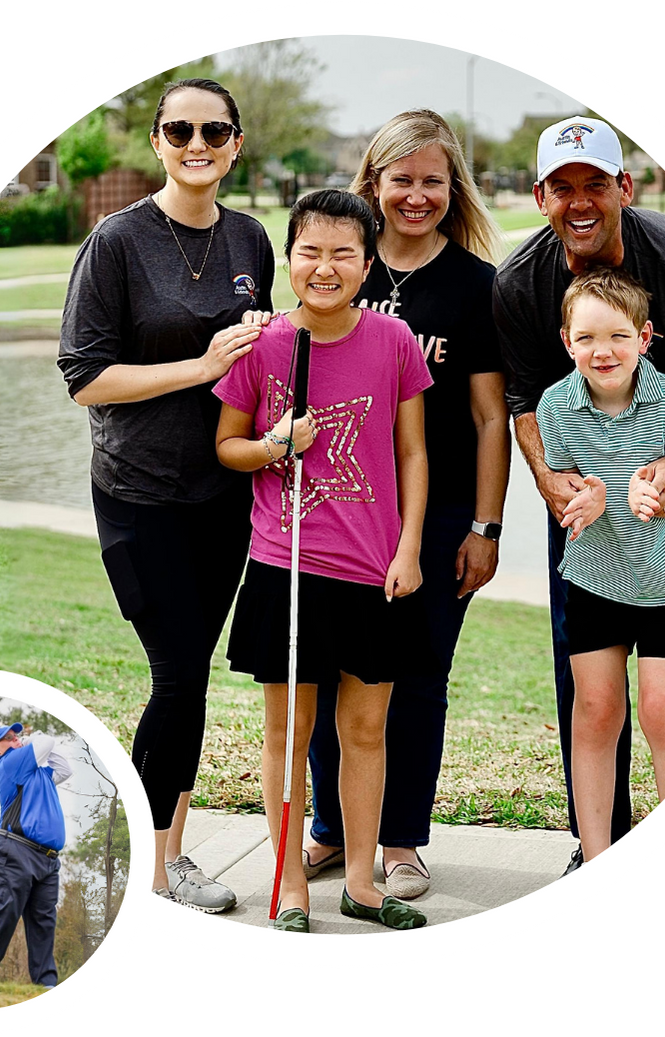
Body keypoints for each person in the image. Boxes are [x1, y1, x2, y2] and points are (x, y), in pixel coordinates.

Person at [493, 116, 665, 871]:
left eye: (594, 184)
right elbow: (522, 400)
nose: (577, 201)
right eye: (561, 188)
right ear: (539, 196)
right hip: (580, 485)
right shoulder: (521, 284)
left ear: (624, 187)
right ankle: (599, 847)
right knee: (586, 677)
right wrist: (552, 482)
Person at [57, 78, 275, 910]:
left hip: (222, 493)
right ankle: (156, 868)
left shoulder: (251, 240)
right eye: (179, 128)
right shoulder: (115, 242)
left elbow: (256, 361)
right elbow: (85, 380)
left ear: (235, 143)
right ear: (156, 140)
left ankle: (163, 852)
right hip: (138, 495)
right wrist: (202, 366)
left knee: (188, 679)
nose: (197, 142)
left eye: (213, 130)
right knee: (178, 674)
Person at [302, 110, 510, 899]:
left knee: (418, 674)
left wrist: (485, 526)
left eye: (432, 180)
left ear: (451, 188)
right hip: (340, 513)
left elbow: (492, 417)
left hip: (441, 509)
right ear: (373, 182)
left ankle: (401, 841)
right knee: (328, 675)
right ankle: (330, 827)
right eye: (401, 179)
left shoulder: (474, 285)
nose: (415, 195)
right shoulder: (342, 270)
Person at [214, 190, 432, 931]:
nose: (325, 267)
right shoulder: (266, 344)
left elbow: (411, 450)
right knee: (289, 732)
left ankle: (364, 884)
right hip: (286, 565)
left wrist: (407, 546)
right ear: (288, 258)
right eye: (310, 251)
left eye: (343, 253)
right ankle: (290, 887)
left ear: (367, 263)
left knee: (365, 730)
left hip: (372, 568)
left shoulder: (393, 341)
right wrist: (279, 443)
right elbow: (229, 446)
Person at [537, 267, 665, 862]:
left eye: (616, 336)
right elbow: (567, 482)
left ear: (645, 336)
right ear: (567, 342)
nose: (601, 350)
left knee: (664, 714)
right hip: (596, 576)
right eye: (585, 338)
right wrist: (589, 497)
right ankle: (596, 854)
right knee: (595, 711)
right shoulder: (555, 405)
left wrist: (655, 493)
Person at [0, 723, 72, 987]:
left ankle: (45, 984)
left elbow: (65, 769)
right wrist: (30, 739)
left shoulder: (38, 773)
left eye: (16, 736)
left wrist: (29, 742)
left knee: (43, 920)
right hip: (14, 850)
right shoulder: (9, 763)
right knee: (6, 913)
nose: (15, 740)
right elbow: (45, 743)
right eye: (9, 738)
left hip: (47, 859)